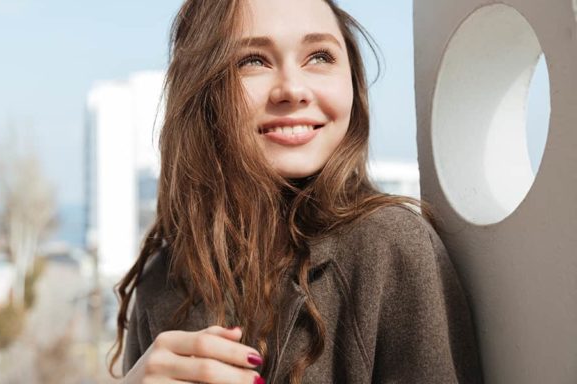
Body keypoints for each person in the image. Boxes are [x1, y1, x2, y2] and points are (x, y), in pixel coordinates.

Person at [110, 0, 484, 383]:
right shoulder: (164, 279)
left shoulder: (390, 247)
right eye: (253, 61)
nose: (293, 89)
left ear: (352, 79)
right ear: (200, 86)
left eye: (320, 56)